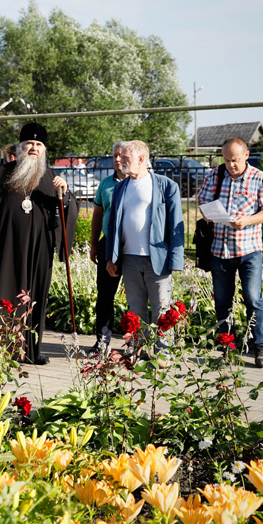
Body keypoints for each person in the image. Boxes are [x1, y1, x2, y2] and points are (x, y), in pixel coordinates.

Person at [0, 122, 76, 366]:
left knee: (33, 297)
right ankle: (1, 349)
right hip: (5, 250)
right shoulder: (1, 174)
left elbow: (62, 213)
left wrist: (66, 195)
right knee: (3, 294)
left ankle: (30, 350)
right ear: (20, 147)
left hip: (37, 252)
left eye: (39, 145)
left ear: (44, 150)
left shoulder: (52, 178)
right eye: (30, 143)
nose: (34, 148)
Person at [197, 137, 263, 368]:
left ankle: (259, 347)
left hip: (249, 249)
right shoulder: (215, 175)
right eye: (227, 159)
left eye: (236, 160)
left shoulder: (259, 178)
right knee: (222, 301)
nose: (231, 164)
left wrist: (248, 220)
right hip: (219, 250)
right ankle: (227, 347)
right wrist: (208, 214)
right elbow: (203, 201)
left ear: (246, 155)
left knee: (253, 299)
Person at [105, 140, 183, 362]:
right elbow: (112, 225)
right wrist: (112, 258)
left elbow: (177, 224)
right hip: (129, 258)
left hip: (156, 258)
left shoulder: (165, 186)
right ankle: (139, 351)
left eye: (125, 158)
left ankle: (163, 354)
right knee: (135, 308)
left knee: (162, 310)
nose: (119, 161)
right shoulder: (120, 187)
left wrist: (176, 261)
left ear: (141, 159)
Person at [88, 141, 126, 353]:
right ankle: (102, 341)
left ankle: (134, 342)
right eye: (114, 156)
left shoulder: (139, 182)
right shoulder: (105, 184)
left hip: (132, 246)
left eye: (121, 156)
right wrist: (94, 244)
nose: (118, 160)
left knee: (135, 296)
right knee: (104, 295)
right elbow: (97, 214)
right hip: (108, 244)